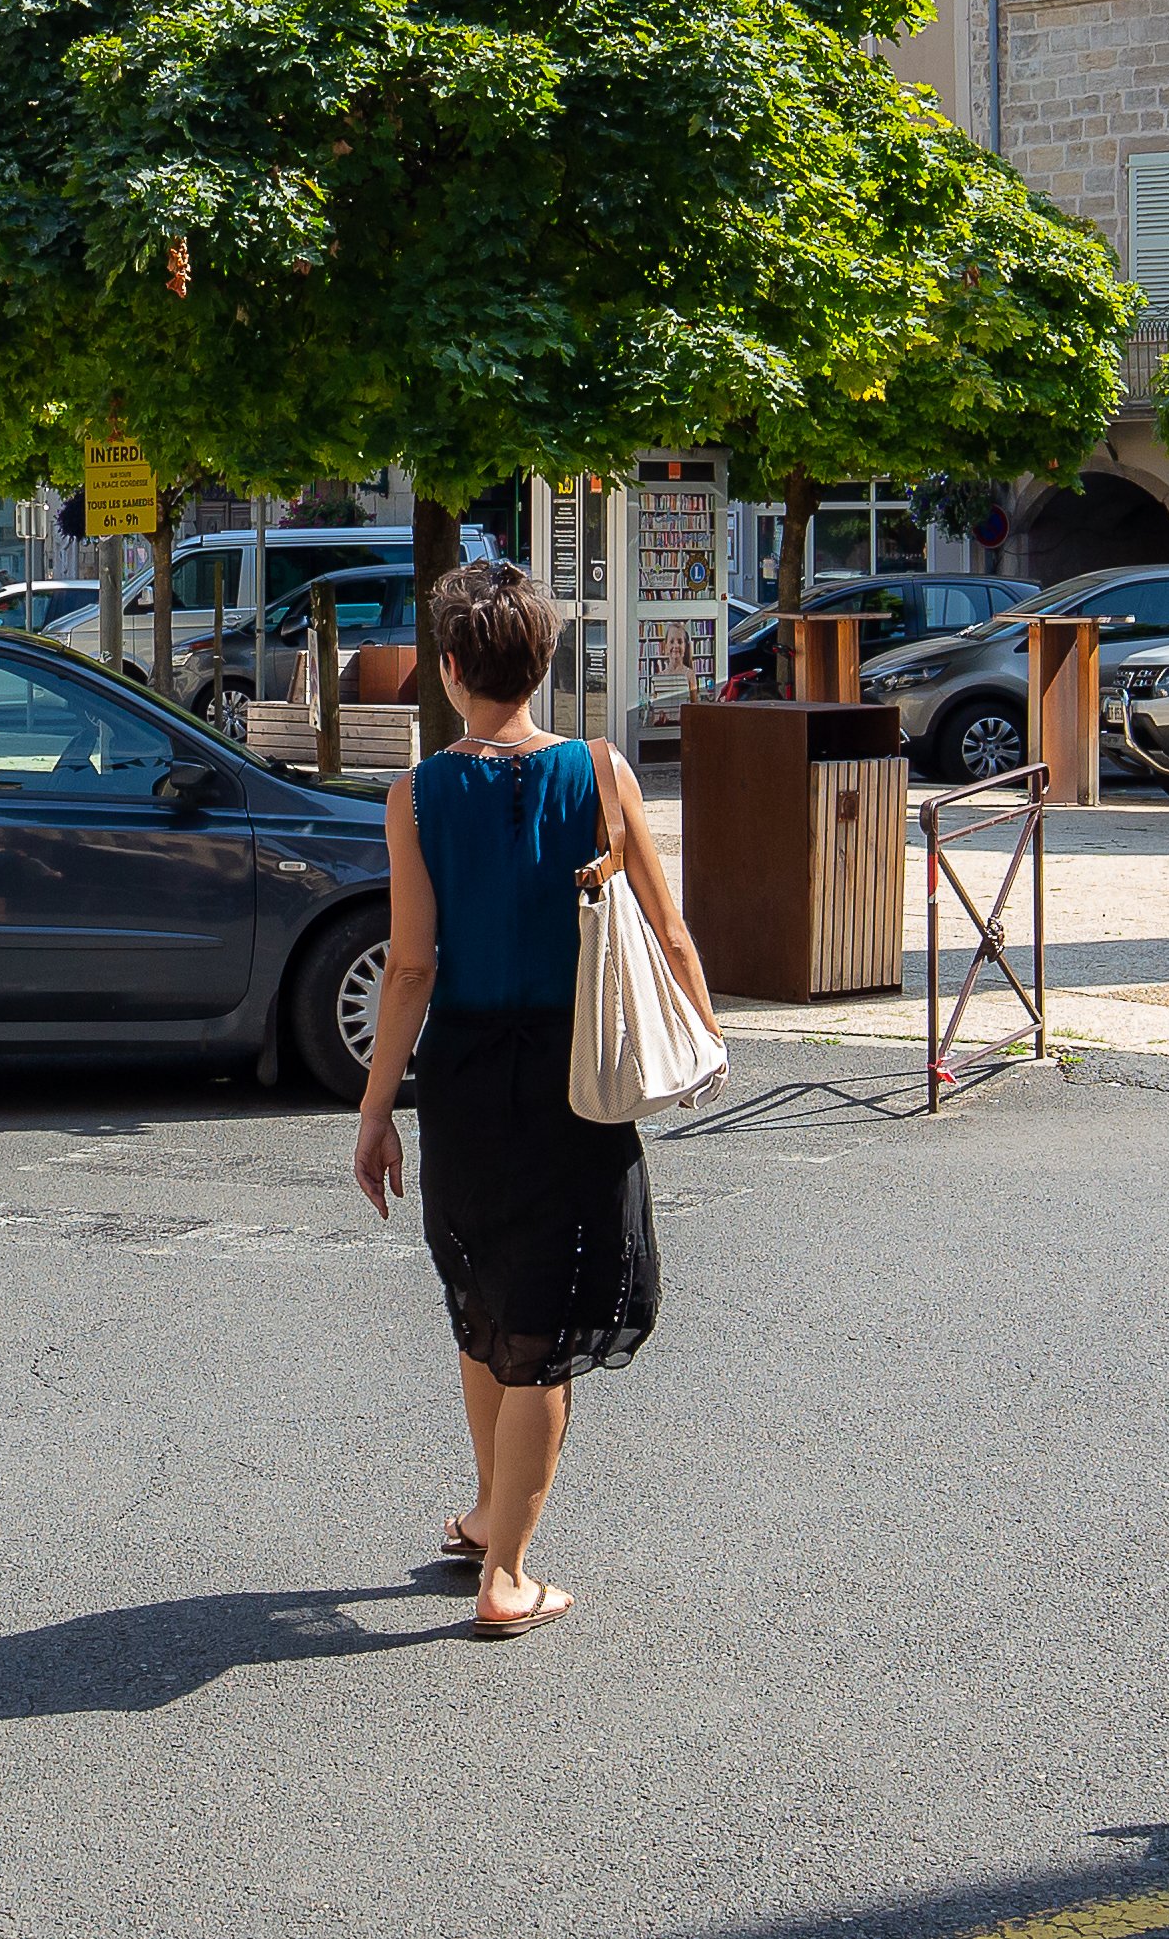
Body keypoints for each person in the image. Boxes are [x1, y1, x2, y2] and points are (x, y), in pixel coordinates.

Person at [349, 557, 715, 1637]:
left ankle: (483, 1512)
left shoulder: (413, 794)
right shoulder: (601, 771)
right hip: (576, 1071)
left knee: (486, 1297)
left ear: (450, 667)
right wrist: (700, 1037)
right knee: (548, 1321)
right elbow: (666, 920)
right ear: (544, 659)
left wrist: (375, 1108)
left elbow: (409, 967)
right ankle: (508, 1566)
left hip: (464, 1069)